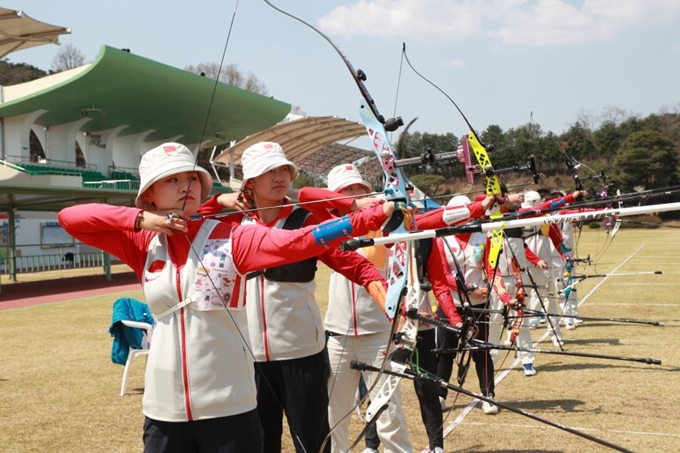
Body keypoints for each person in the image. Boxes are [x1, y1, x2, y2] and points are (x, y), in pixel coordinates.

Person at [57, 142, 398, 453]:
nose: (185, 185)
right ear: (150, 195)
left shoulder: (232, 235)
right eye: (172, 180)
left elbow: (299, 241)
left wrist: (364, 218)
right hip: (164, 410)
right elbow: (70, 219)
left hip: (231, 407)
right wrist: (141, 221)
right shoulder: (143, 243)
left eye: (191, 178)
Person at [201, 143, 389, 453]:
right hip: (250, 359)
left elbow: (357, 267)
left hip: (302, 354)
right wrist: (220, 198)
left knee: (312, 443)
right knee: (258, 443)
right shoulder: (233, 226)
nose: (279, 177)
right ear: (249, 182)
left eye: (283, 170)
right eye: (268, 171)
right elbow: (191, 219)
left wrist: (385, 297)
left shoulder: (306, 222)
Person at [299, 164, 413, 453]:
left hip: (377, 333)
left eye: (359, 188)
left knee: (387, 413)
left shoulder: (385, 222)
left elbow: (417, 221)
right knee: (334, 416)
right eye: (347, 189)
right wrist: (351, 204)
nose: (356, 192)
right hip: (338, 334)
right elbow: (305, 193)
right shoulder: (326, 228)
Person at [435, 195, 499, 414]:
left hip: (479, 304)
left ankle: (487, 395)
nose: (462, 219)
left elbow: (491, 267)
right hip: (450, 302)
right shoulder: (441, 239)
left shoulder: (483, 236)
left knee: (481, 350)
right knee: (446, 350)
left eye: (466, 213)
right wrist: (468, 289)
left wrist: (491, 284)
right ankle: (440, 394)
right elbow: (442, 273)